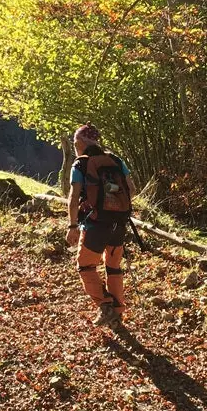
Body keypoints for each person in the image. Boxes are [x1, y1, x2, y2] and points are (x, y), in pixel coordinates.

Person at [65, 123, 135, 328]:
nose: (75, 146)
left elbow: (74, 195)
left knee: (86, 265)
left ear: (80, 143)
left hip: (95, 225)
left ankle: (105, 306)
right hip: (119, 225)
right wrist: (113, 202)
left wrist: (72, 225)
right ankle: (118, 310)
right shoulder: (115, 160)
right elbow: (131, 189)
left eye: (75, 142)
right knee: (113, 266)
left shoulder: (81, 164)